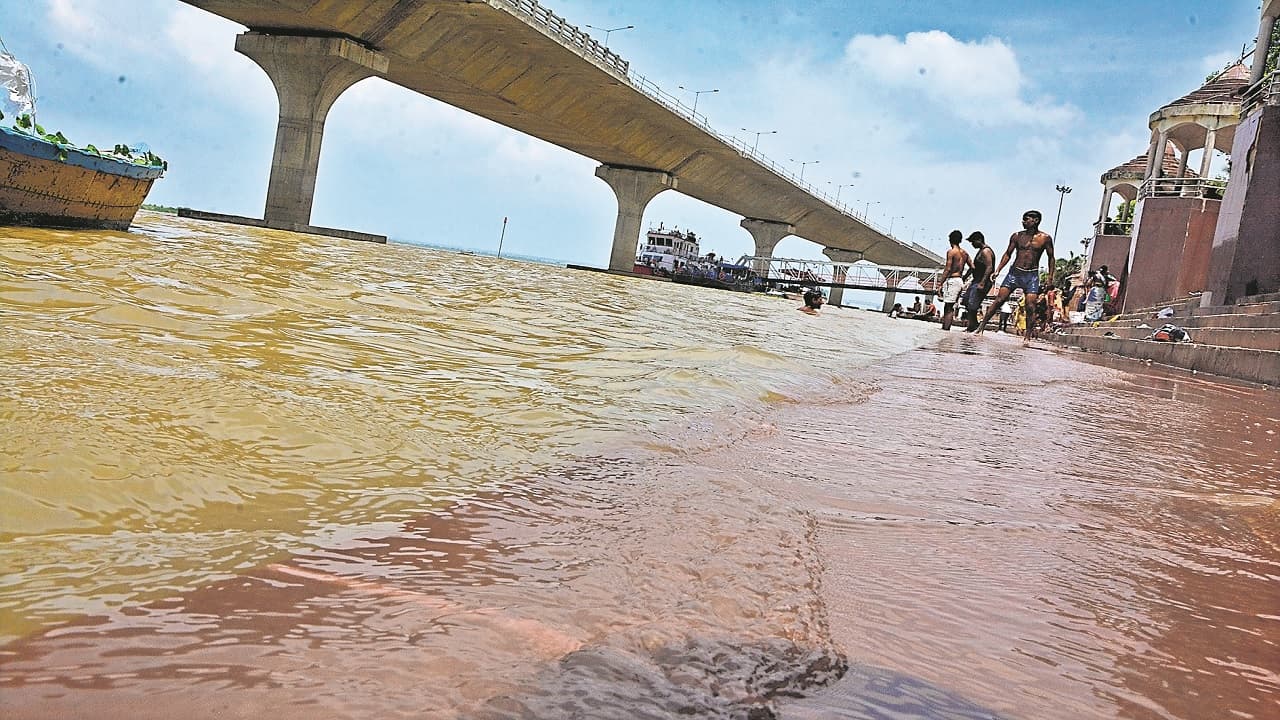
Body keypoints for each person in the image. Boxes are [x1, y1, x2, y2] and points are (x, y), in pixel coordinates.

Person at [974, 209, 1055, 342]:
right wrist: (998, 270)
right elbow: (1008, 254)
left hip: (1031, 276)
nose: (1023, 222)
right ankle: (981, 327)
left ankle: (1027, 337)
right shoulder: (1016, 236)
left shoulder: (1045, 238)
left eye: (1026, 219)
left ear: (1035, 221)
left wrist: (1050, 277)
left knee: (1030, 306)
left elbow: (1051, 257)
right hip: (1014, 273)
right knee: (999, 300)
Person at [938, 230, 972, 331]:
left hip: (952, 280)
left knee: (948, 307)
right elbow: (972, 267)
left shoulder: (951, 252)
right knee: (950, 306)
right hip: (960, 280)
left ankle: (945, 329)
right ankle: (945, 329)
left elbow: (948, 268)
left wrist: (941, 283)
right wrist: (964, 277)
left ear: (950, 240)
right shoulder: (965, 253)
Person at [962, 231, 995, 332]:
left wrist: (982, 282)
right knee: (966, 300)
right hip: (975, 280)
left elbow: (989, 267)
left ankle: (973, 327)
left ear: (979, 240)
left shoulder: (986, 251)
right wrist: (965, 277)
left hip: (982, 281)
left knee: (973, 304)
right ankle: (973, 325)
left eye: (973, 242)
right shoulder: (980, 251)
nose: (972, 244)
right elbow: (973, 267)